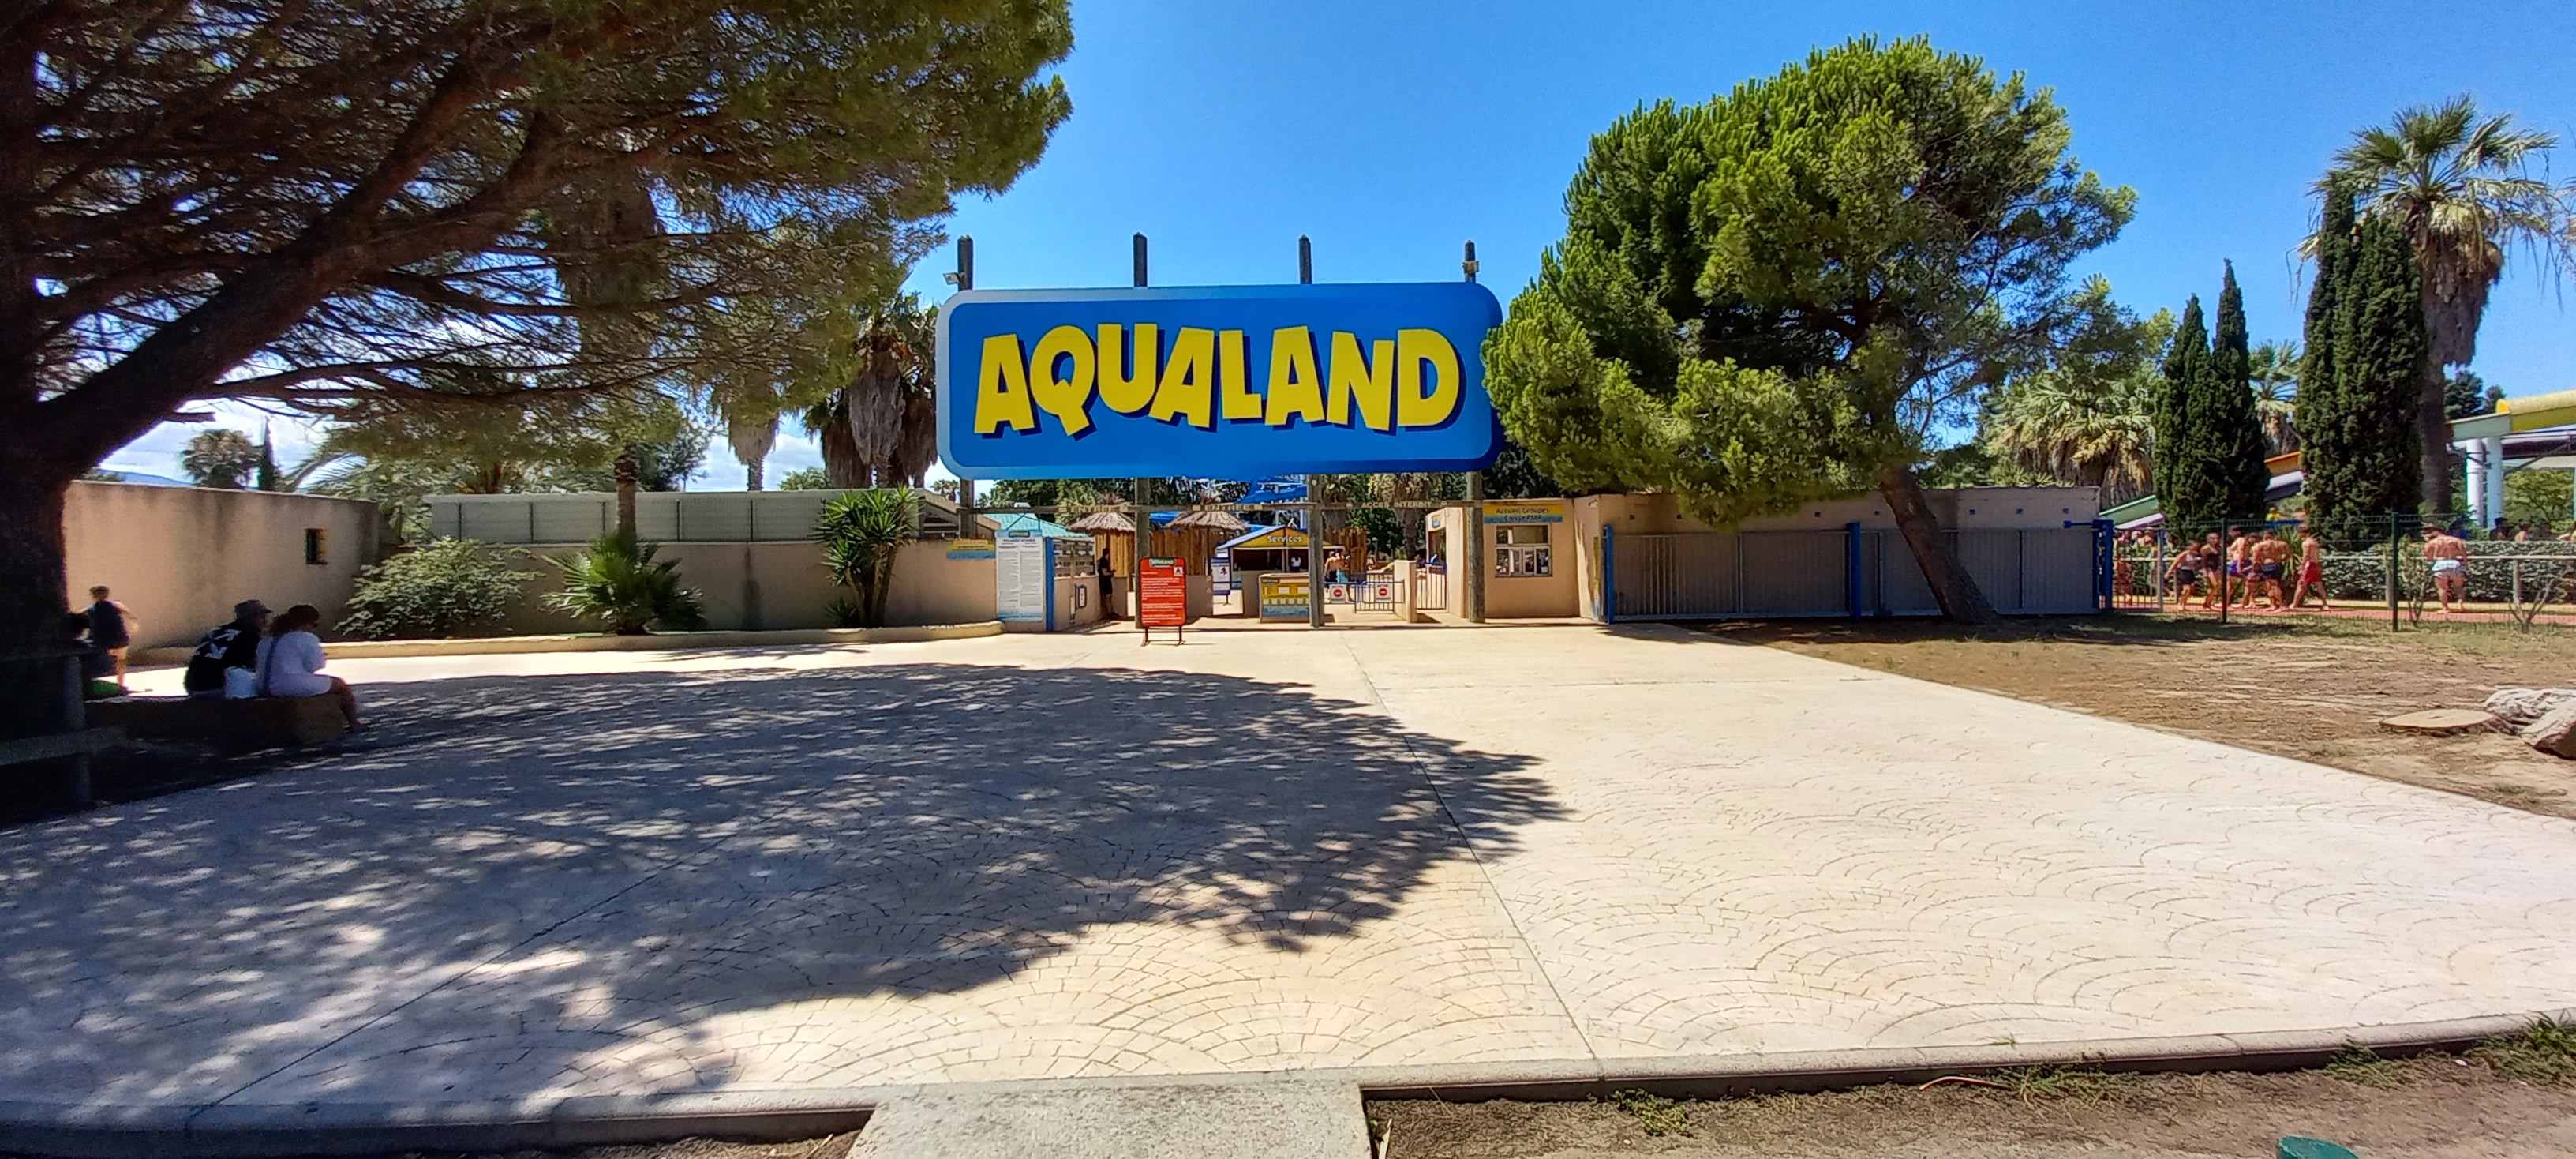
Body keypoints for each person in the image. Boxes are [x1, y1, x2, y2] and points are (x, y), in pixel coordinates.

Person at [256, 603, 361, 729]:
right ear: (306, 623)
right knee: (340, 685)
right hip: (290, 685)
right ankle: (354, 723)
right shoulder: (306, 637)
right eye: (314, 625)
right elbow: (315, 666)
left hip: (262, 685)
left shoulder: (267, 639)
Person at [183, 599, 271, 696]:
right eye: (261, 617)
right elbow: (256, 665)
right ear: (249, 619)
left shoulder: (216, 631)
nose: (266, 621)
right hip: (218, 687)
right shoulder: (248, 636)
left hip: (193, 686)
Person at [81, 585, 133, 692]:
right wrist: (132, 629)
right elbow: (131, 617)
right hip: (120, 640)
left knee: (93, 661)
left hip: (103, 642)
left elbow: (77, 615)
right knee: (121, 661)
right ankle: (121, 684)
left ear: (93, 596)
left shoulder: (91, 609)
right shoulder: (116, 606)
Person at [2421, 526, 2469, 614]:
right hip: (2454, 563)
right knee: (2459, 587)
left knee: (2442, 588)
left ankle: (2445, 608)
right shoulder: (2455, 540)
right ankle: (2460, 606)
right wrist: (2466, 563)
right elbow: (2463, 552)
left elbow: (2427, 553)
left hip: (2440, 563)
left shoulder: (2432, 542)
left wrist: (2432, 559)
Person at [2251, 529, 2292, 610]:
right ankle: (2273, 605)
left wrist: (2256, 566)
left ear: (2266, 535)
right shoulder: (2282, 544)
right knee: (2269, 586)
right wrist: (2281, 559)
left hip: (2268, 566)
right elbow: (2289, 555)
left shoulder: (2260, 545)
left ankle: (2282, 605)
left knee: (2273, 586)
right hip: (2277, 565)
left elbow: (2255, 558)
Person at [2291, 528, 2331, 610]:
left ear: (2302, 533)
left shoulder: (2306, 543)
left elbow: (2306, 556)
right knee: (2319, 585)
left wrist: (2302, 567)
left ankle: (2294, 604)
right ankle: (2325, 604)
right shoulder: (2315, 543)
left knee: (2301, 584)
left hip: (2309, 565)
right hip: (2316, 564)